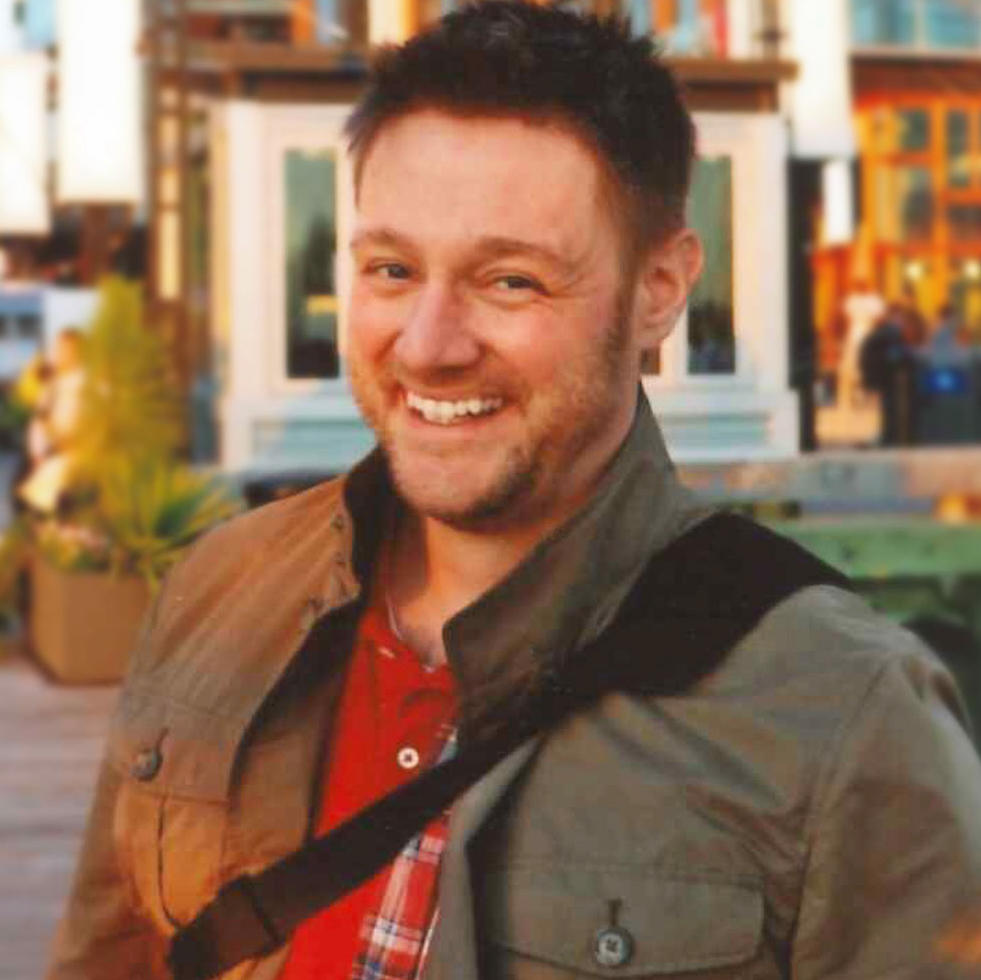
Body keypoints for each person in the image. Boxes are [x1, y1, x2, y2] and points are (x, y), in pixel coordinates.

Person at [48, 4, 981, 979]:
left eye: (512, 282)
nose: (428, 344)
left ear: (660, 289)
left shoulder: (844, 705)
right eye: (392, 268)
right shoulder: (216, 592)